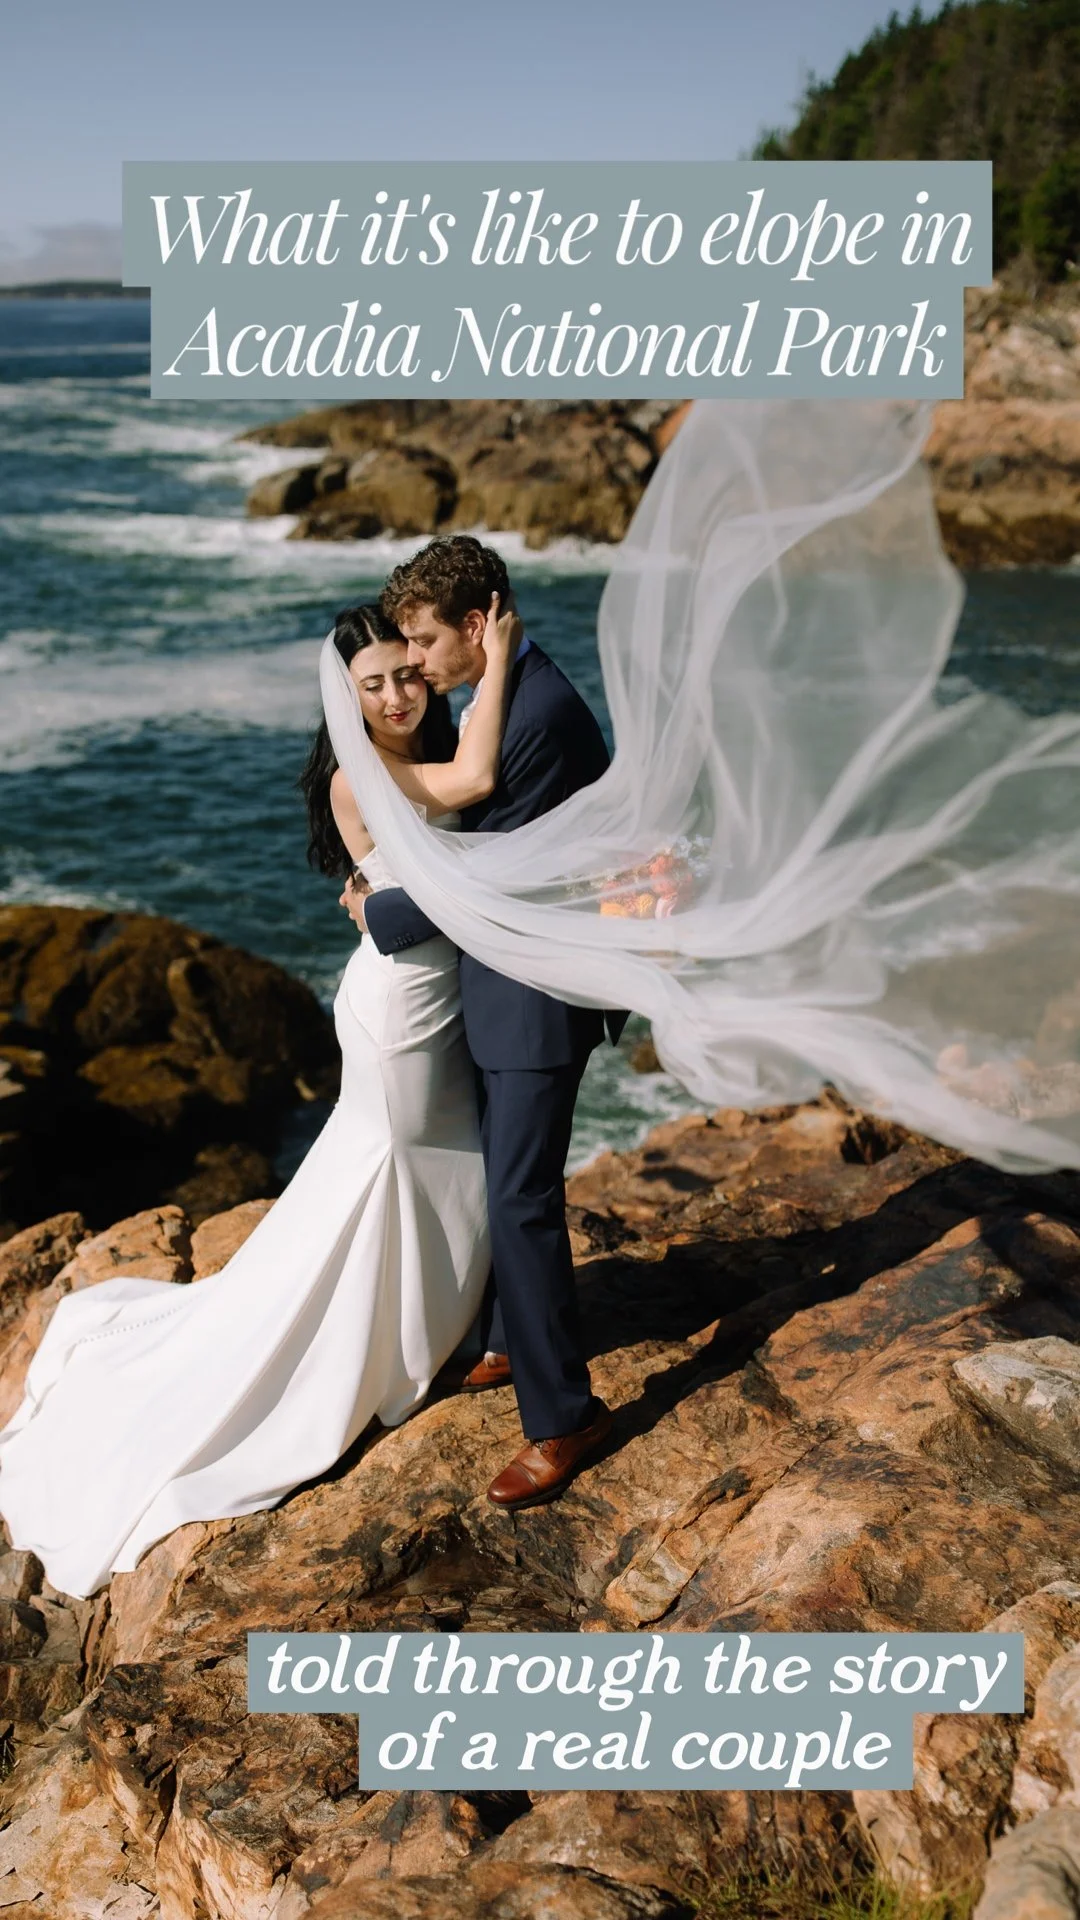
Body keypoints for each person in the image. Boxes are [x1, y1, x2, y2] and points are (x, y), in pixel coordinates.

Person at [0, 597, 520, 1601]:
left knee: (407, 1166)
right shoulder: (358, 773)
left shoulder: (413, 749)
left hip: (421, 995)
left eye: (408, 672)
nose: (400, 694)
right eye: (373, 685)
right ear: (348, 701)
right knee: (414, 1160)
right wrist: (496, 657)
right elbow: (481, 782)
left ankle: (418, 1333)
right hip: (397, 1009)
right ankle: (385, 1350)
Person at [344, 536, 629, 1513]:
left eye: (423, 639)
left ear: (476, 626)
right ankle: (508, 1338)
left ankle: (564, 1419)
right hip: (507, 989)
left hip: (537, 1001)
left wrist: (377, 913)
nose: (414, 663)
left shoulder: (534, 716)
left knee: (520, 1200)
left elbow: (484, 877)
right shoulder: (507, 692)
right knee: (506, 1181)